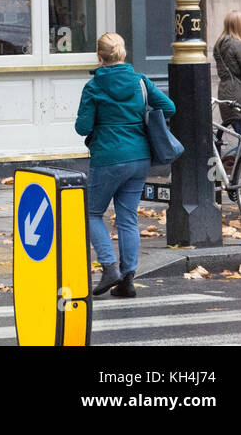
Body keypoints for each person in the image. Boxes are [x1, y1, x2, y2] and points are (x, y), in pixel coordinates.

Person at [75, 32, 175, 298]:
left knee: (93, 213)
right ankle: (127, 279)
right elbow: (169, 107)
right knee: (128, 217)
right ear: (123, 53)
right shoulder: (140, 81)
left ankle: (109, 267)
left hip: (108, 157)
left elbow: (82, 127)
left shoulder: (94, 87)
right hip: (140, 158)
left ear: (99, 56)